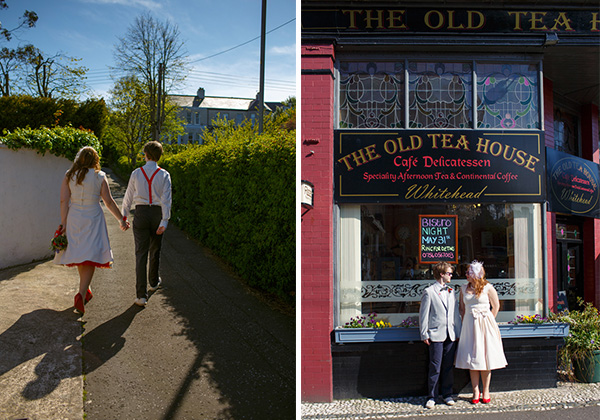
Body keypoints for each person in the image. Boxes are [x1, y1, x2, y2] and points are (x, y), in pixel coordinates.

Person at [54, 146, 130, 314]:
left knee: (82, 255)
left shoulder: (69, 175)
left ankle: (85, 290)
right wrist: (121, 220)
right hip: (93, 218)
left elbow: (63, 201)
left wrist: (64, 223)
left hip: (74, 218)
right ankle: (81, 294)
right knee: (89, 256)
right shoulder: (99, 176)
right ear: (95, 160)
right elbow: (108, 202)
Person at [122, 141, 172, 307]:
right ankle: (154, 281)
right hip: (157, 214)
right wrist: (165, 220)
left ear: (146, 154)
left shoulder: (136, 173)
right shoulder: (164, 174)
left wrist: (124, 216)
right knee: (155, 249)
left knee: (140, 253)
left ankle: (141, 295)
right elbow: (166, 200)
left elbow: (128, 196)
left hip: (141, 213)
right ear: (158, 155)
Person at [455, 260, 507, 404]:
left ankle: (486, 390)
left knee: (485, 358)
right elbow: (461, 308)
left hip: (485, 325)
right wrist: (466, 321)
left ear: (476, 274)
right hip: (470, 326)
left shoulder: (488, 288)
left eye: (468, 272)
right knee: (472, 358)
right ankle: (475, 390)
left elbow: (495, 306)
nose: (466, 274)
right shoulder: (463, 288)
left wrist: (488, 320)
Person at [419, 262, 461, 409]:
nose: (451, 275)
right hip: (435, 333)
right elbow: (423, 315)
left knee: (448, 366)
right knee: (435, 366)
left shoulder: (451, 291)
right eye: (449, 273)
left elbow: (455, 314)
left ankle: (447, 394)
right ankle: (432, 396)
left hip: (450, 334)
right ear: (441, 274)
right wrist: (424, 333)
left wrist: (458, 332)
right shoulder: (429, 292)